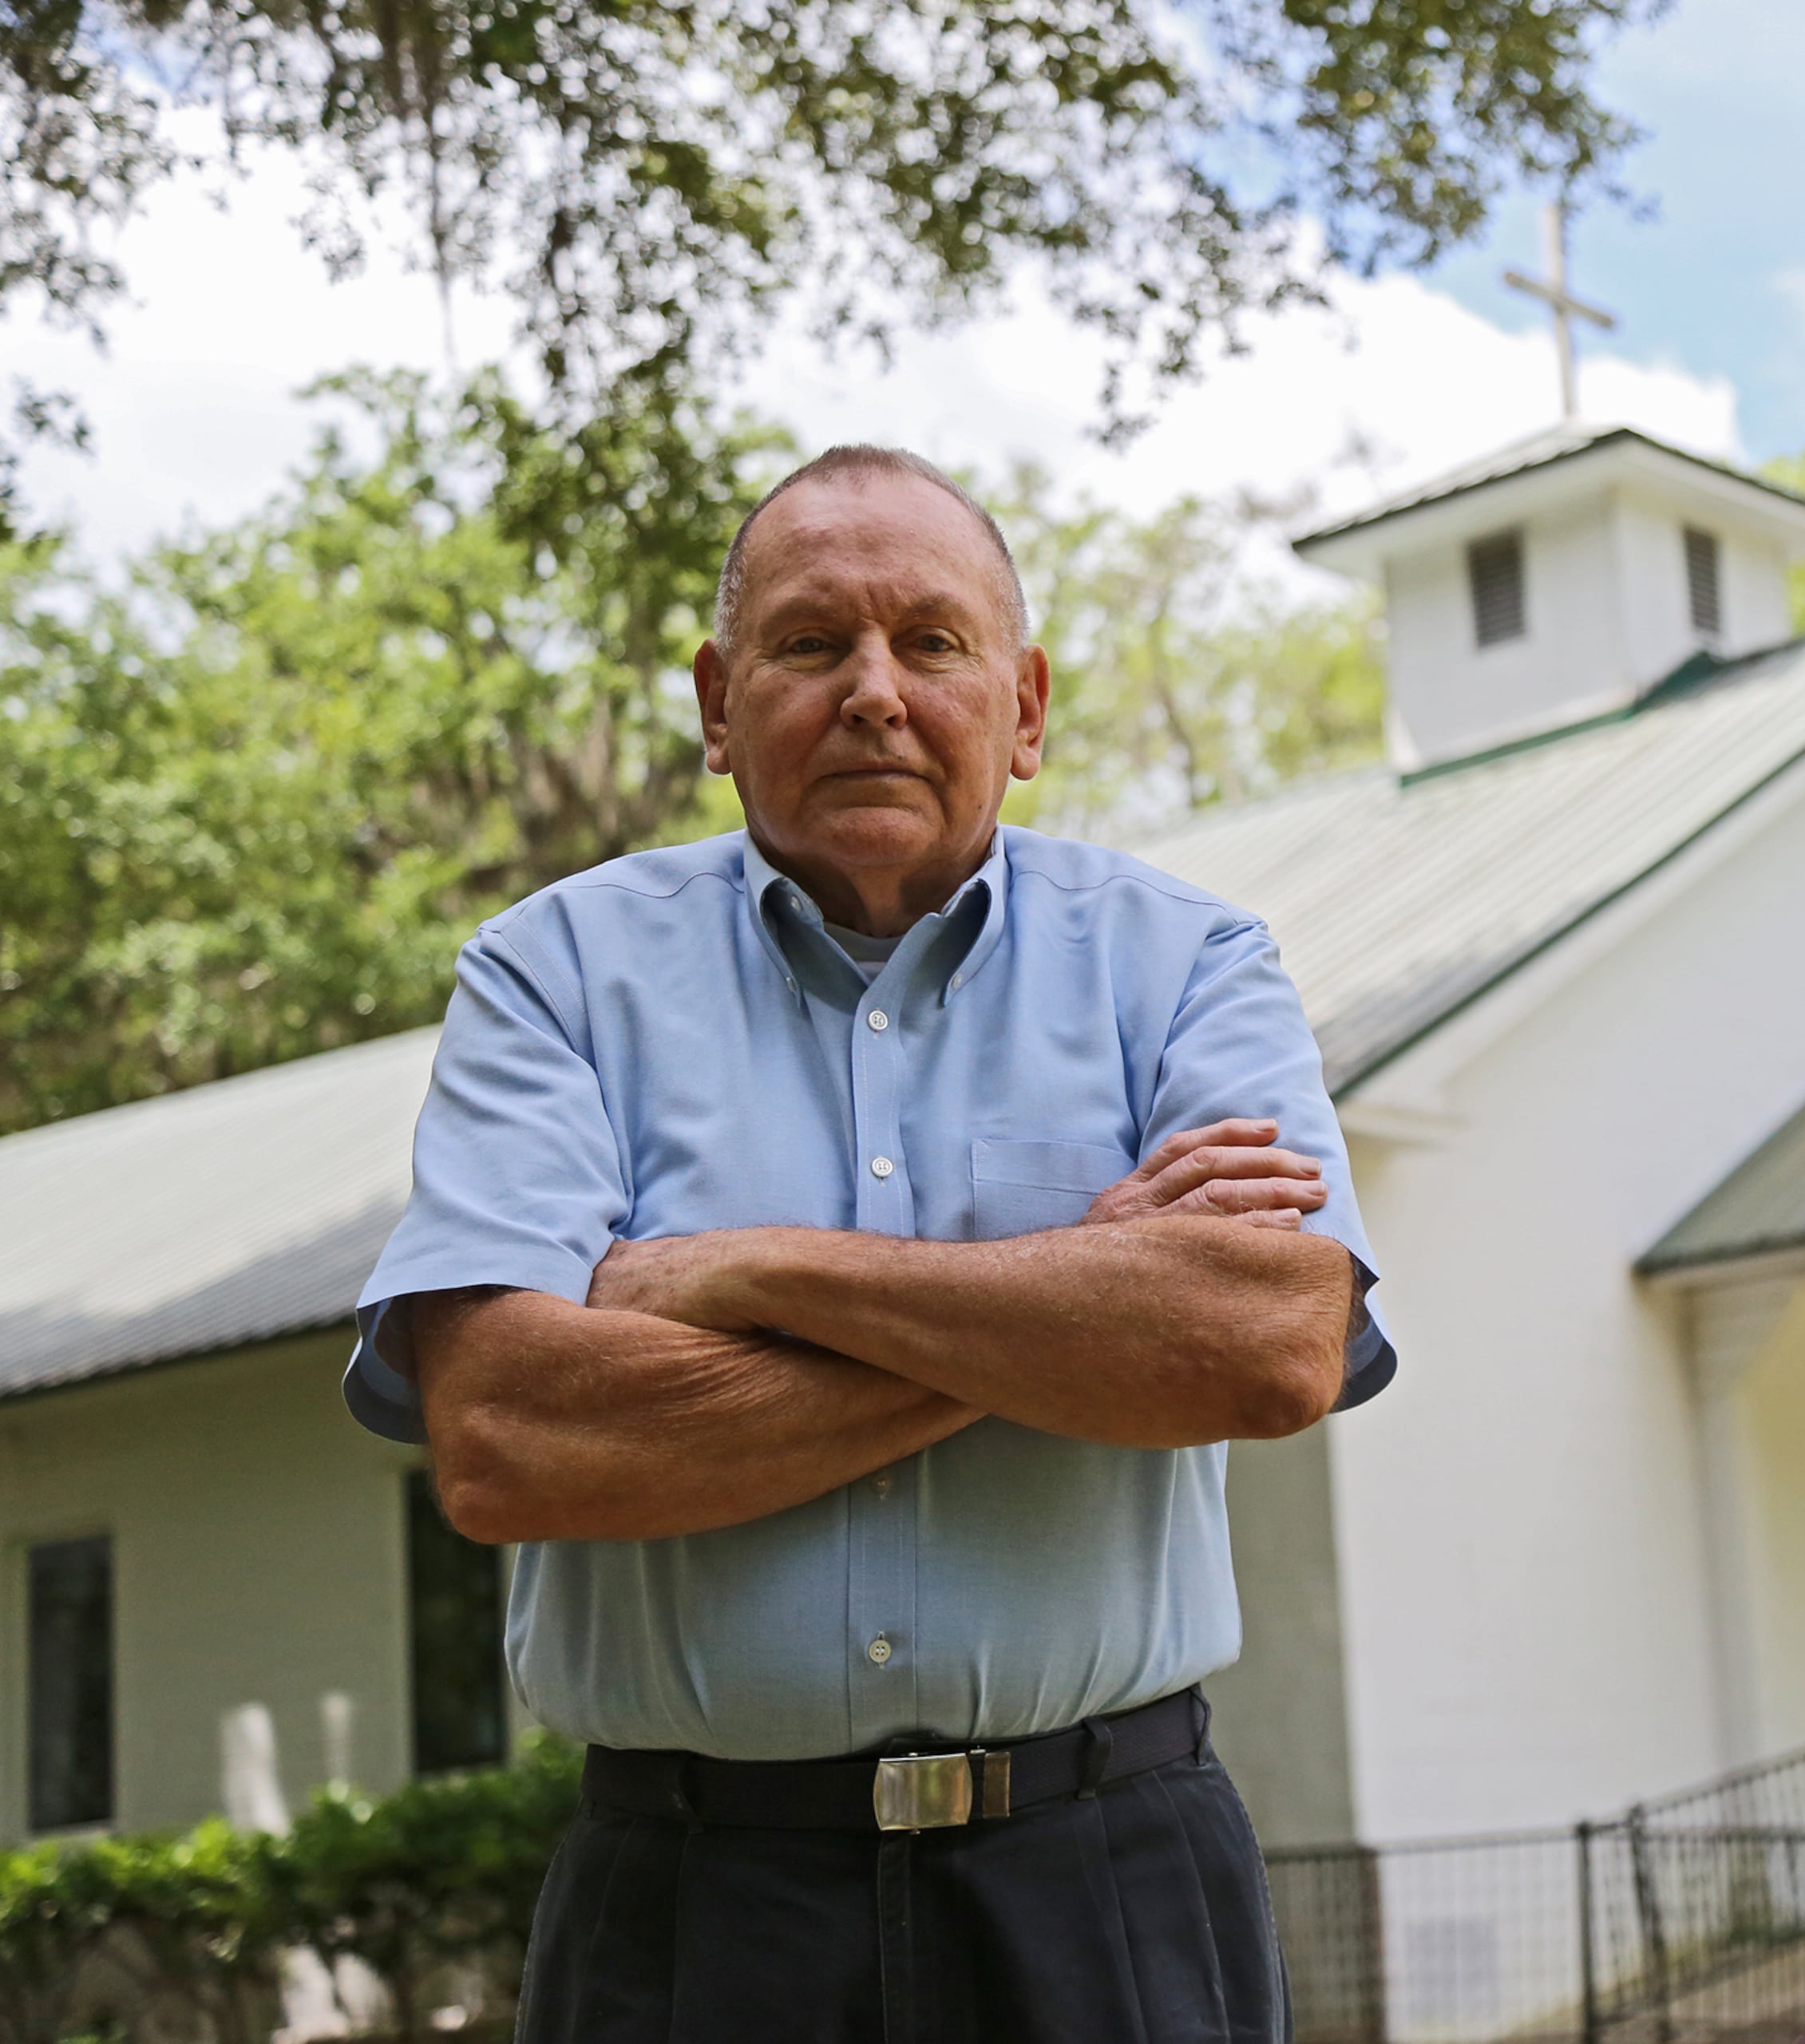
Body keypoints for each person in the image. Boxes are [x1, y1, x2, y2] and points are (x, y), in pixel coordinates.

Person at [344, 444, 1395, 2044]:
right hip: (693, 1904)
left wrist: (751, 1274)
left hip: (1107, 1882)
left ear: (1025, 705)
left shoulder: (1187, 966)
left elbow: (1264, 1350)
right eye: (813, 644)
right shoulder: (552, 978)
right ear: (717, 701)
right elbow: (508, 1439)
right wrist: (1079, 1299)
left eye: (933, 641)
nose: (875, 692)